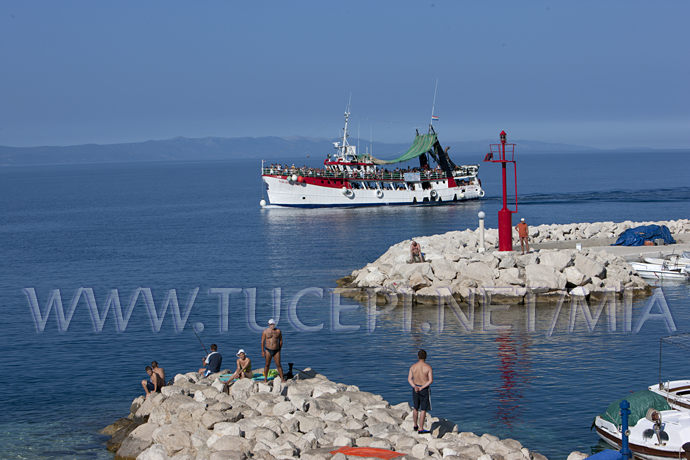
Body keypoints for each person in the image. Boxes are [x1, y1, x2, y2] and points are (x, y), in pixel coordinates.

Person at [408, 349, 433, 434]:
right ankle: (421, 428)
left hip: (415, 388)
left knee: (415, 407)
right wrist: (422, 387)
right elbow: (430, 380)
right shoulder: (428, 367)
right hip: (424, 389)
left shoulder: (413, 367)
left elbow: (409, 379)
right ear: (425, 357)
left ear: (418, 356)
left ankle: (415, 425)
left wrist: (414, 386)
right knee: (423, 409)